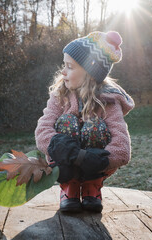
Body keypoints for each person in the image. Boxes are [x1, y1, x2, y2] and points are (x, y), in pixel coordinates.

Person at [35, 31, 135, 213]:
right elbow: (42, 129)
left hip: (94, 166)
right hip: (65, 164)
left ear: (89, 73)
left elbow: (123, 149)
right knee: (67, 120)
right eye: (63, 65)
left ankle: (92, 187)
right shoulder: (60, 95)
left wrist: (101, 160)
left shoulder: (110, 101)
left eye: (70, 67)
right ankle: (69, 188)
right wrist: (59, 147)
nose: (63, 72)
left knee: (94, 125)